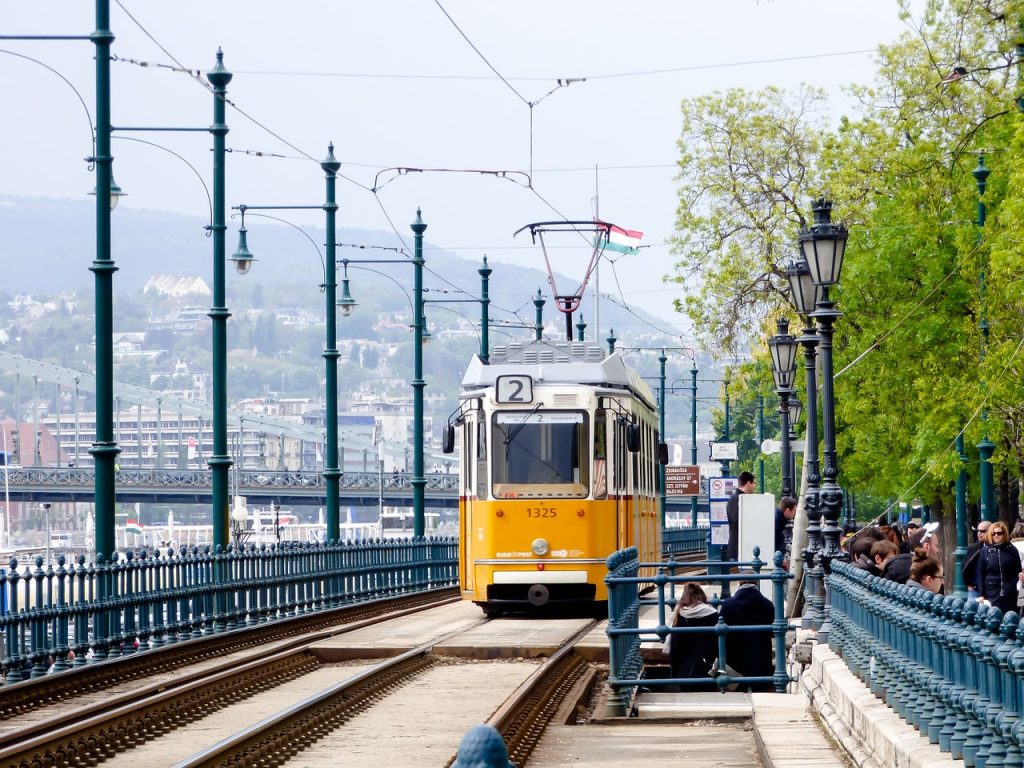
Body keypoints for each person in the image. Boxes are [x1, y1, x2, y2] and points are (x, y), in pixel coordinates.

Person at [718, 575, 775, 692]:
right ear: (757, 583)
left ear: (739, 583)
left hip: (735, 659)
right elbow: (773, 632)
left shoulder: (728, 605)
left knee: (737, 689)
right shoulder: (767, 604)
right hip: (761, 658)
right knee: (760, 689)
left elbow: (720, 632)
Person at [667, 583, 719, 691]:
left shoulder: (679, 614)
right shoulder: (712, 614)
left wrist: (675, 671)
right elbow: (718, 645)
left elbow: (675, 647)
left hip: (685, 672)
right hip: (708, 670)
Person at [975, 520, 1023, 613]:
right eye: (993, 533)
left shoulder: (1011, 549)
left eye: (999, 533)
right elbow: (980, 574)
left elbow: (1017, 570)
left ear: (1004, 534)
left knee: (1011, 617)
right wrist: (981, 594)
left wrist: (1013, 585)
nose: (996, 535)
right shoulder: (985, 551)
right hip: (991, 592)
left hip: (1010, 593)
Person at [726, 471, 757, 563]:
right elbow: (736, 521)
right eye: (754, 483)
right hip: (738, 550)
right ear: (748, 483)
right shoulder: (736, 499)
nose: (755, 487)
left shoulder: (740, 498)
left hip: (741, 548)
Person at [963, 521, 992, 600]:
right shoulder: (973, 548)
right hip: (975, 590)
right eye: (978, 531)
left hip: (992, 590)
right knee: (971, 611)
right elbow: (965, 566)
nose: (979, 533)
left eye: (982, 531)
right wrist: (968, 584)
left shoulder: (996, 549)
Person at [774, 496, 798, 565]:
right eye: (794, 510)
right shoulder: (778, 520)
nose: (795, 513)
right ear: (787, 510)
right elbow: (776, 540)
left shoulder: (779, 517)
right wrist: (781, 559)